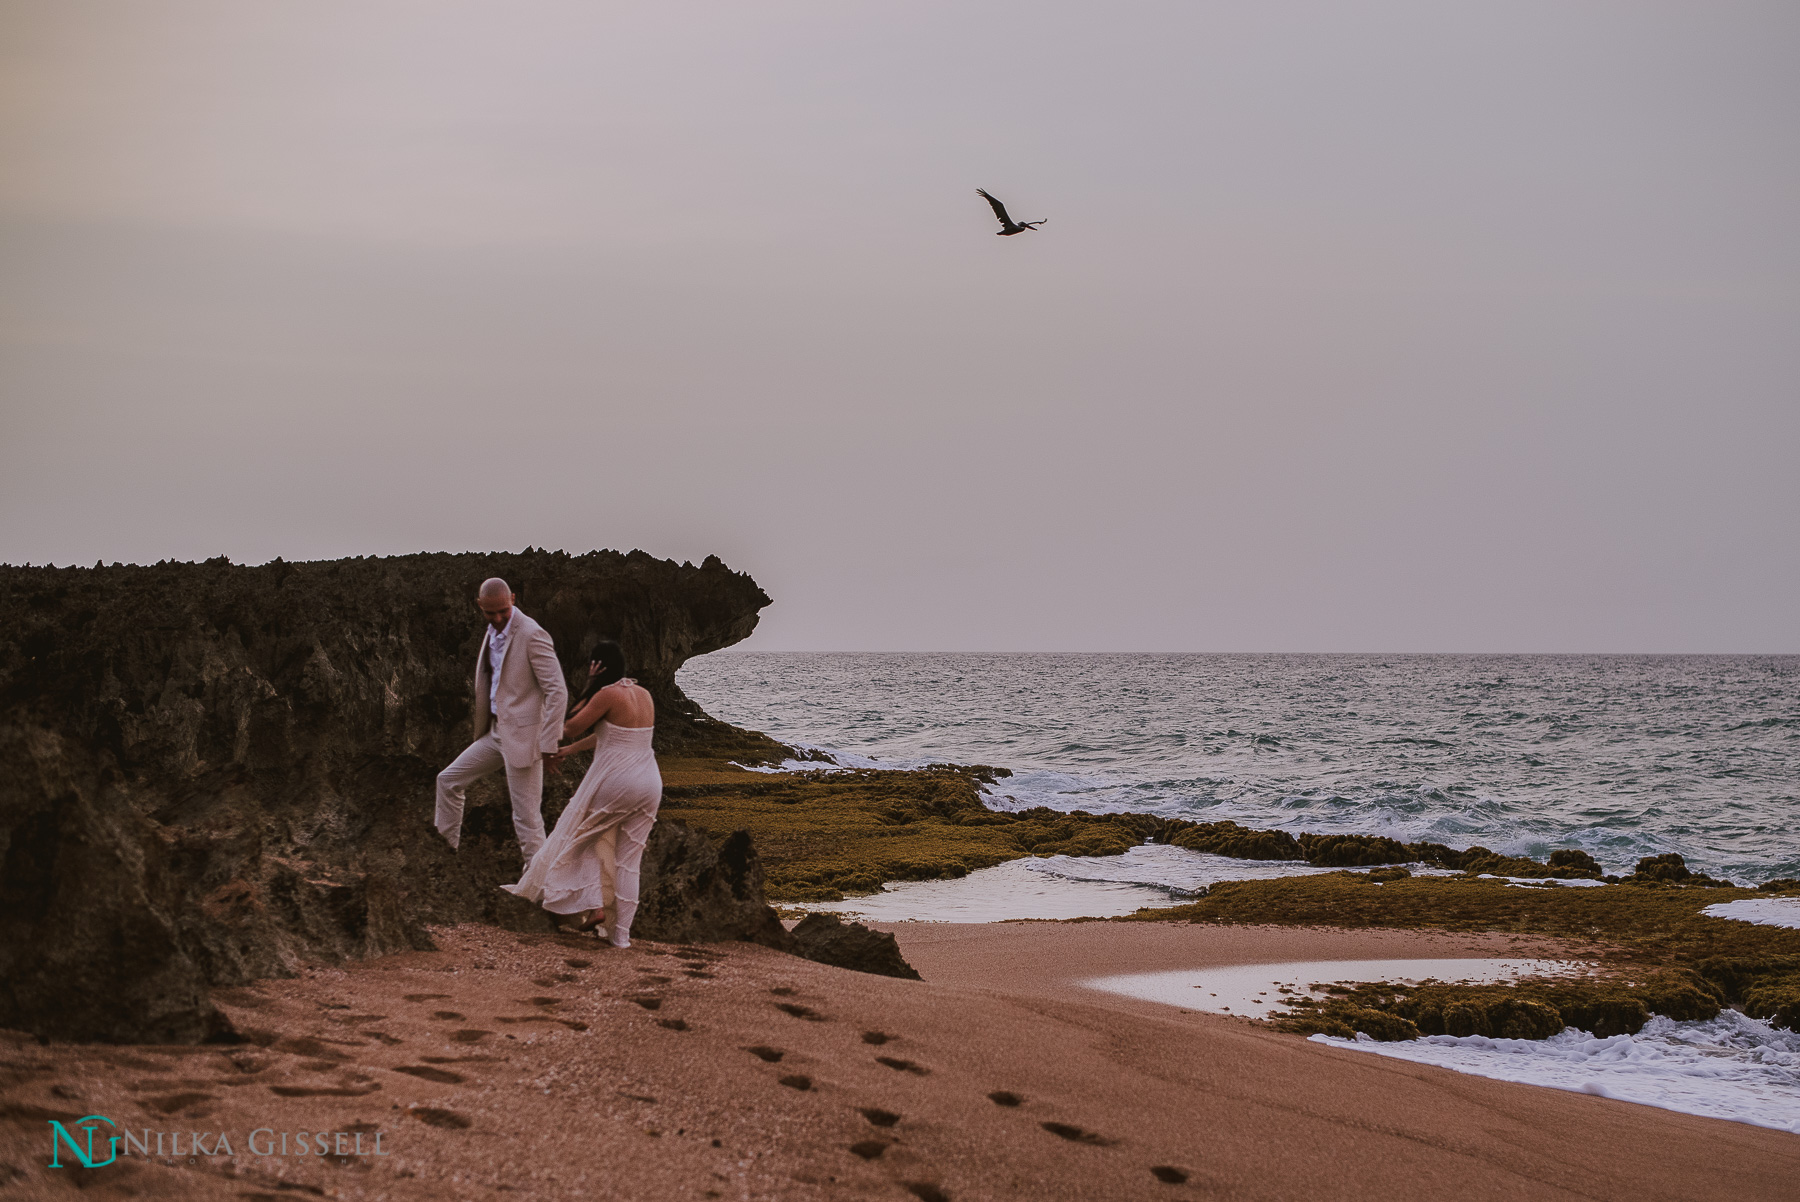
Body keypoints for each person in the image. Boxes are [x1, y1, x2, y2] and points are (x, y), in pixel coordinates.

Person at [502, 640, 661, 947]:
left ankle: (594, 907)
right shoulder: (643, 694)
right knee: (629, 860)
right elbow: (612, 734)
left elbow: (573, 725)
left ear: (597, 666)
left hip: (617, 782)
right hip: (650, 783)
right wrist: (572, 751)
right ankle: (621, 938)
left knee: (578, 840)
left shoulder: (606, 693)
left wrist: (589, 685)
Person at [433, 577, 568, 864]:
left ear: (513, 600)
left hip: (525, 738)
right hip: (495, 733)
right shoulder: (491, 631)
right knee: (447, 781)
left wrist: (549, 742)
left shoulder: (533, 634)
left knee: (527, 820)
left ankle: (540, 892)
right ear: (479, 606)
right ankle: (444, 859)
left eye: (502, 612)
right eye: (489, 613)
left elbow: (557, 690)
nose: (497, 618)